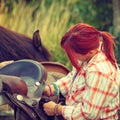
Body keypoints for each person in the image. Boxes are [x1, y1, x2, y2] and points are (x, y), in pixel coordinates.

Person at [43, 23, 120, 120]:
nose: (70, 57)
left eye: (72, 54)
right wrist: (52, 89)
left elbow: (88, 114)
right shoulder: (90, 53)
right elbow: (74, 78)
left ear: (90, 52)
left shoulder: (99, 73)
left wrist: (57, 109)